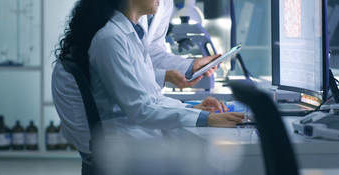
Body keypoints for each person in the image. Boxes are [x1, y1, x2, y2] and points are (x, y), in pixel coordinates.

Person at [51, 0, 244, 174]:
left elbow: (152, 98)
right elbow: (141, 108)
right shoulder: (110, 39)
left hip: (136, 132)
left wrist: (193, 109)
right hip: (126, 141)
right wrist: (206, 118)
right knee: (213, 160)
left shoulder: (131, 34)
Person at [137, 0, 218, 88]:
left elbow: (153, 53)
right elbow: (127, 69)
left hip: (145, 91)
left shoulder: (166, 3)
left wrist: (191, 66)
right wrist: (165, 76)